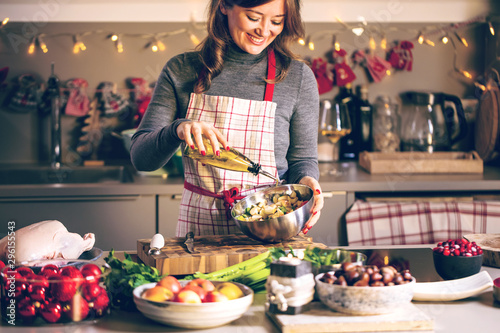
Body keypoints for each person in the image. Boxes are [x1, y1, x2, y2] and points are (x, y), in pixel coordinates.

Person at [130, 0, 323, 237]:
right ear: (224, 6)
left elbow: (302, 159)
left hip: (272, 229)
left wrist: (308, 181)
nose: (264, 31)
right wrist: (177, 130)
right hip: (199, 235)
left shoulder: (297, 77)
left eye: (276, 21)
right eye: (253, 17)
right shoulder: (181, 70)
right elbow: (141, 159)